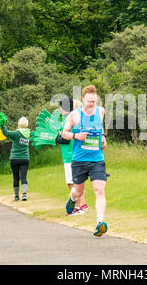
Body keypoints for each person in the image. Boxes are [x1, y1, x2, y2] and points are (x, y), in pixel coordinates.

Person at [62, 85, 108, 237]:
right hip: (79, 160)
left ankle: (99, 223)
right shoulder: (74, 115)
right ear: (83, 99)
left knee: (100, 189)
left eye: (94, 101)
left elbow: (100, 131)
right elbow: (64, 134)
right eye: (89, 101)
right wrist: (76, 136)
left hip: (97, 159)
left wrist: (103, 139)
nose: (92, 104)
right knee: (79, 190)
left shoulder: (101, 111)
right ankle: (72, 198)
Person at [56, 97, 88, 215]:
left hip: (70, 156)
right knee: (76, 182)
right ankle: (80, 206)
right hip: (73, 155)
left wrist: (55, 139)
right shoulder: (73, 118)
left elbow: (65, 139)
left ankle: (77, 207)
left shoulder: (68, 119)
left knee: (72, 183)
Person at [0, 116, 31, 202]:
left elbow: (5, 133)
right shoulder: (29, 134)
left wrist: (2, 125)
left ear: (18, 124)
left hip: (15, 158)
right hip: (25, 158)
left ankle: (16, 197)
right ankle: (24, 195)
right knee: (24, 177)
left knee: (15, 177)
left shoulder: (16, 133)